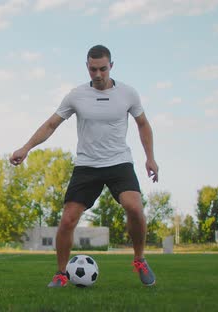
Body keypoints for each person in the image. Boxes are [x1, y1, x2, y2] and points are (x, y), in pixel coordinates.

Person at [10, 45, 158, 287]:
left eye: (102, 69)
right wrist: (25, 148)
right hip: (87, 165)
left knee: (134, 207)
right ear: (86, 67)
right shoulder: (75, 95)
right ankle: (60, 273)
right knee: (68, 219)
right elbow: (50, 125)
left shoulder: (128, 93)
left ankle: (140, 259)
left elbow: (143, 124)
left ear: (111, 66)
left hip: (119, 161)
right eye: (92, 69)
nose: (98, 74)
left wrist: (150, 157)